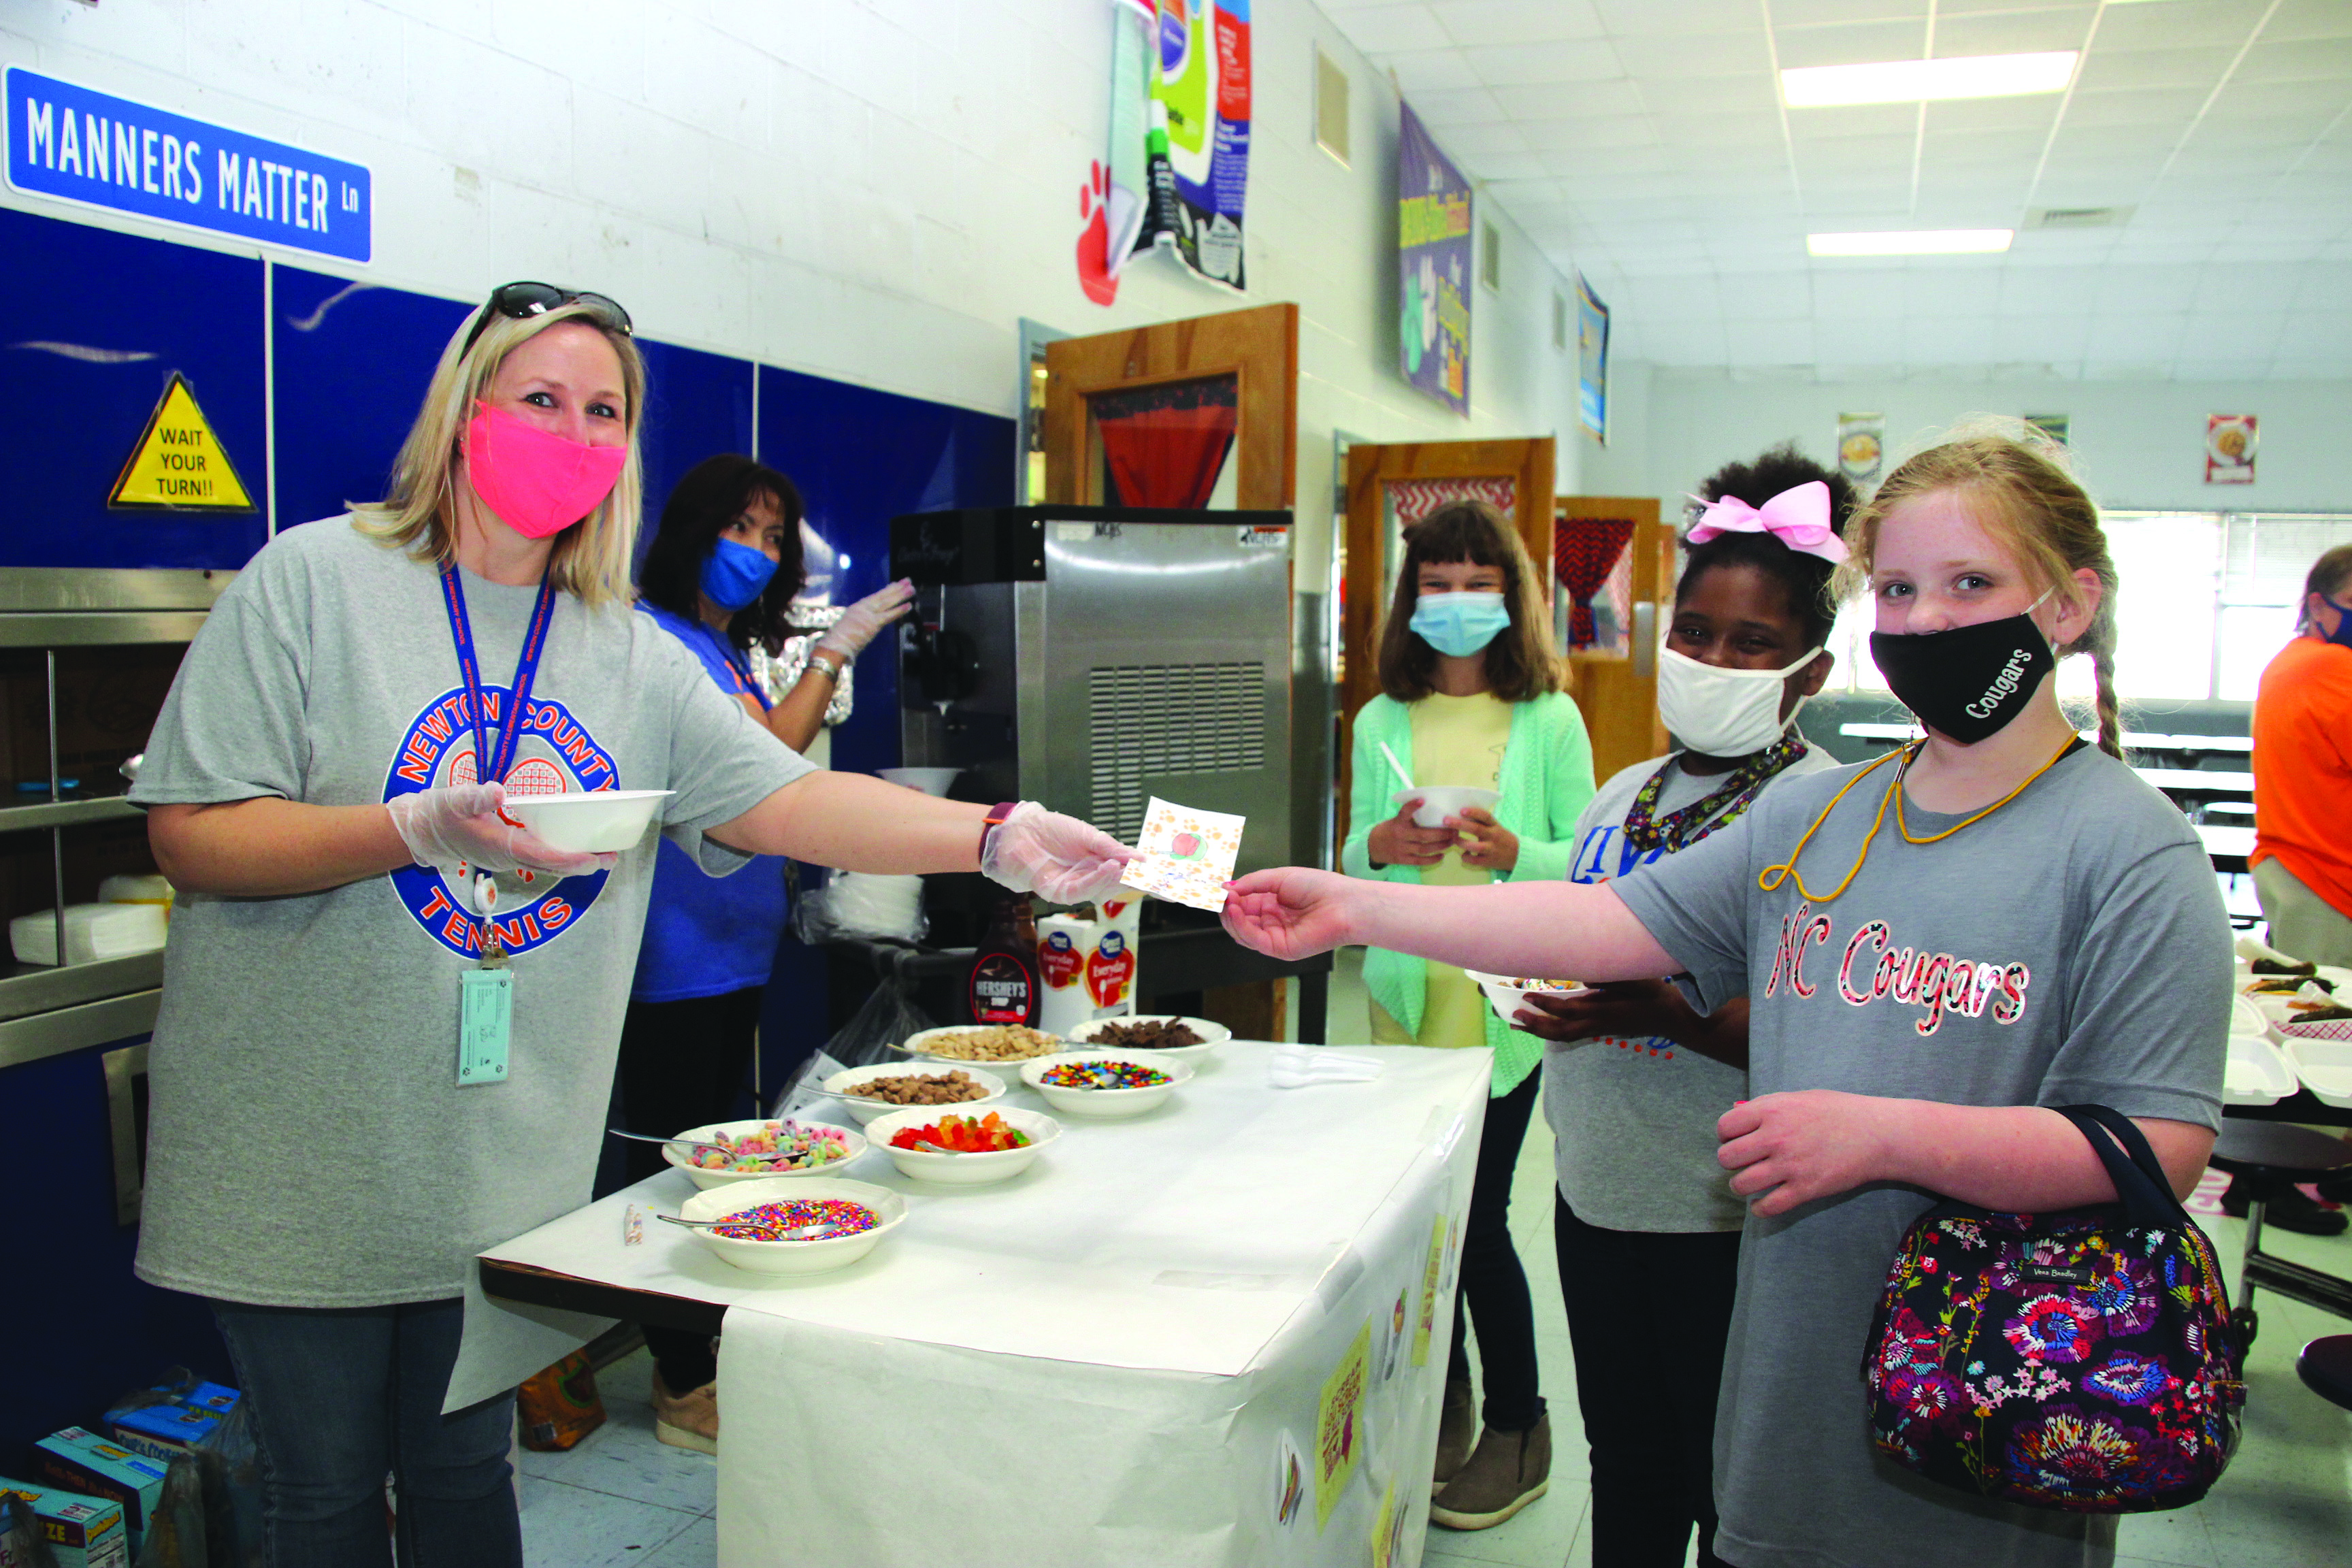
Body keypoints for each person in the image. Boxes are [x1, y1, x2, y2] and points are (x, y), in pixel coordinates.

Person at [129, 281, 1131, 1568]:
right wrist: (413, 826)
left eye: (603, 411)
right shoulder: (313, 584)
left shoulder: (630, 651)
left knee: (460, 1464)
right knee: (321, 1491)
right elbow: (192, 832)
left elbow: (785, 795)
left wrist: (992, 834)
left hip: (496, 1147)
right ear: (464, 408)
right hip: (299, 1143)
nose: (573, 429)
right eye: (540, 398)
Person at [1226, 426, 2228, 1568]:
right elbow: (1608, 918)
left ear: (2064, 604)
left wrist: (1879, 1134)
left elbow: (2159, 1141)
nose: (1927, 620)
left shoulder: (2131, 851)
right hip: (1788, 1377)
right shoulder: (1826, 815)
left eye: (1970, 583)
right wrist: (1357, 907)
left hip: (1985, 1402)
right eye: (1897, 587)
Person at [1518, 445, 1849, 1568]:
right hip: (1595, 1195)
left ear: (1810, 667)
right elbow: (1576, 938)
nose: (1712, 659)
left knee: (1727, 1484)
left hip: (1726, 1220)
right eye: (1695, 632)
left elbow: (1824, 1030)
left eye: (1751, 642)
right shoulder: (1625, 793)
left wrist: (1661, 1014)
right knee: (1626, 1460)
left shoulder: (1826, 813)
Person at [619, 453, 916, 1449]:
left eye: (772, 537)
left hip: (732, 945)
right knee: (669, 1164)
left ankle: (705, 1356)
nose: (754, 551)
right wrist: (835, 650)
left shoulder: (721, 648)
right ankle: (678, 1378)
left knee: (721, 1155)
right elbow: (773, 770)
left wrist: (827, 650)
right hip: (671, 952)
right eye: (738, 529)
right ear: (688, 529)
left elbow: (764, 762)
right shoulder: (652, 639)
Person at [1340, 499, 1594, 1529]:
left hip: (1501, 1024)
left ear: (1512, 595)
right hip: (1404, 1010)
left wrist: (1510, 855)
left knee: (1480, 1227)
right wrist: (1380, 851)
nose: (1453, 602)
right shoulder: (1378, 721)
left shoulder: (1549, 718)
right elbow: (1351, 850)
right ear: (1410, 599)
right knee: (1417, 1225)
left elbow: (1584, 856)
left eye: (1473, 582)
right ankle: (1443, 1394)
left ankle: (1521, 1426)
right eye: (1433, 583)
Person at [2250, 543, 2352, 966]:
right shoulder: (2331, 667)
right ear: (2318, 605)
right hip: (2328, 884)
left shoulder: (2289, 663)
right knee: (2327, 1024)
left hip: (2296, 871)